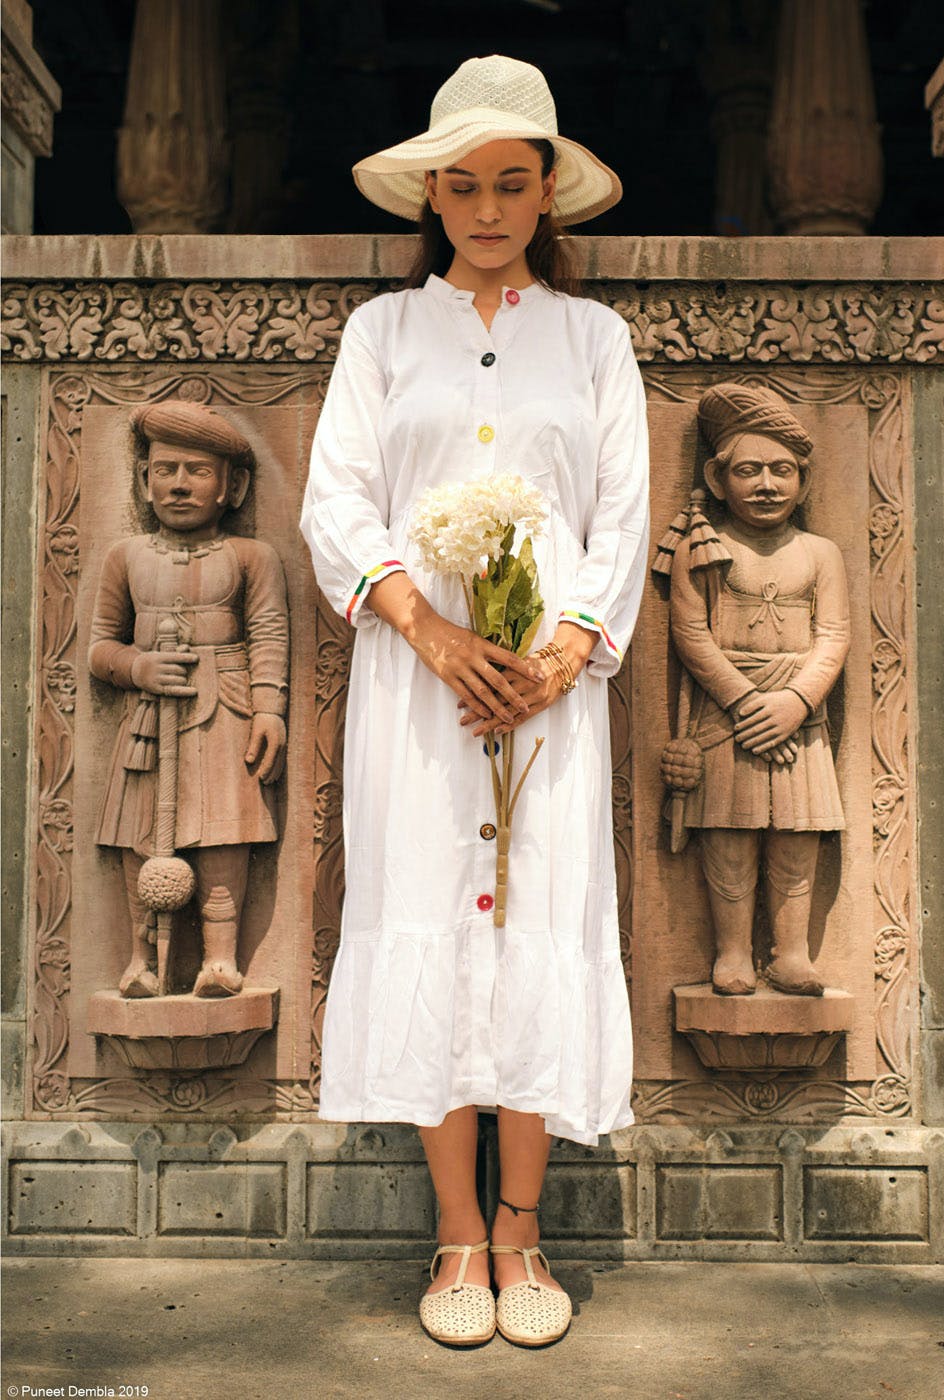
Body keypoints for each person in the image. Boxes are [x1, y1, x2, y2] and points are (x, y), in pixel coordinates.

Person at [300, 55, 649, 1348]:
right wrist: (432, 634)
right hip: (418, 689)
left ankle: (523, 1234)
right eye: (464, 186)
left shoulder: (593, 340)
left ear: (546, 191)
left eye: (513, 183)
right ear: (432, 199)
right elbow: (336, 502)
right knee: (432, 919)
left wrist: (557, 658)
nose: (489, 208)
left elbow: (621, 514)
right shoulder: (383, 337)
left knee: (538, 921)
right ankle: (455, 1236)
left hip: (550, 697)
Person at [89, 402, 289, 998]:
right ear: (143, 481)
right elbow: (100, 647)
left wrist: (269, 708)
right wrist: (137, 666)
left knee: (224, 832)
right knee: (141, 832)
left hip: (223, 712)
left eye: (197, 471)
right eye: (165, 469)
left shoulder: (252, 557)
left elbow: (270, 633)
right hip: (150, 718)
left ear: (234, 486)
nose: (179, 484)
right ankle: (142, 960)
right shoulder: (125, 557)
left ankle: (219, 960)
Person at [659, 383, 850, 997]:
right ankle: (734, 951)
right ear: (717, 482)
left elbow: (834, 635)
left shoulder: (820, 554)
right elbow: (691, 633)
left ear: (804, 482)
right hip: (728, 717)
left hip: (799, 714)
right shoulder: (702, 546)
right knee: (730, 833)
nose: (767, 484)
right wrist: (745, 703)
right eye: (749, 470)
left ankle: (791, 953)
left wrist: (794, 703)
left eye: (782, 470)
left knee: (797, 833)